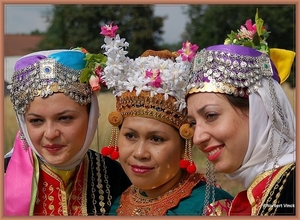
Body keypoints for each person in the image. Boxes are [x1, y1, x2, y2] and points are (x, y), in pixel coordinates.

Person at [97, 22, 233, 216]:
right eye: (130, 136)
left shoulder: (211, 207)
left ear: (185, 143)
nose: (140, 153)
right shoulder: (119, 203)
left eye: (156, 139)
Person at [185, 10, 296, 216]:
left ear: (261, 112)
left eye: (210, 115)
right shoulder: (260, 190)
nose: (198, 137)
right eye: (192, 123)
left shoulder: (292, 189)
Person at [4, 48, 131, 216]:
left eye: (64, 119)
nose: (50, 134)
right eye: (36, 121)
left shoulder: (116, 177)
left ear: (91, 116)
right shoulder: (5, 176)